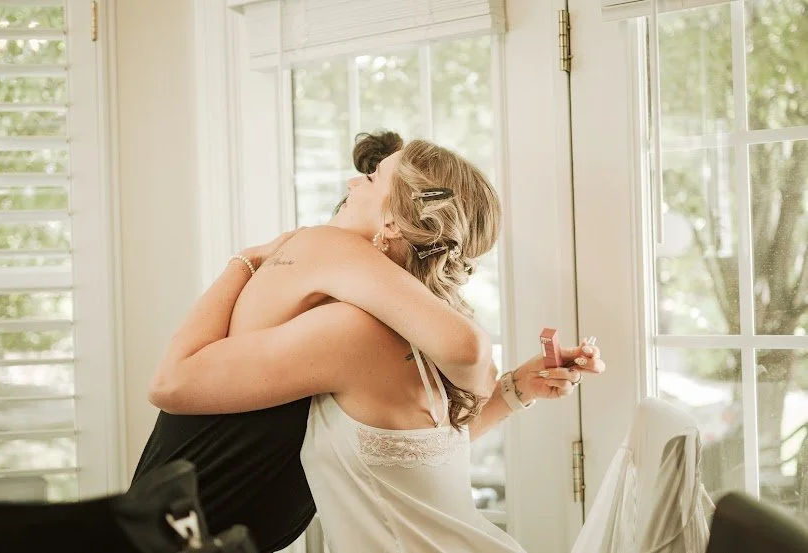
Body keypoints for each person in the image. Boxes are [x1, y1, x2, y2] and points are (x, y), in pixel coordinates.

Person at [141, 132, 605, 552]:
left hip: (188, 525)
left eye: (372, 177)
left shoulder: (371, 315)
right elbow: (461, 374)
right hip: (188, 524)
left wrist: (513, 388)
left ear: (394, 226)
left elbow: (411, 444)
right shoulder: (354, 297)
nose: (352, 182)